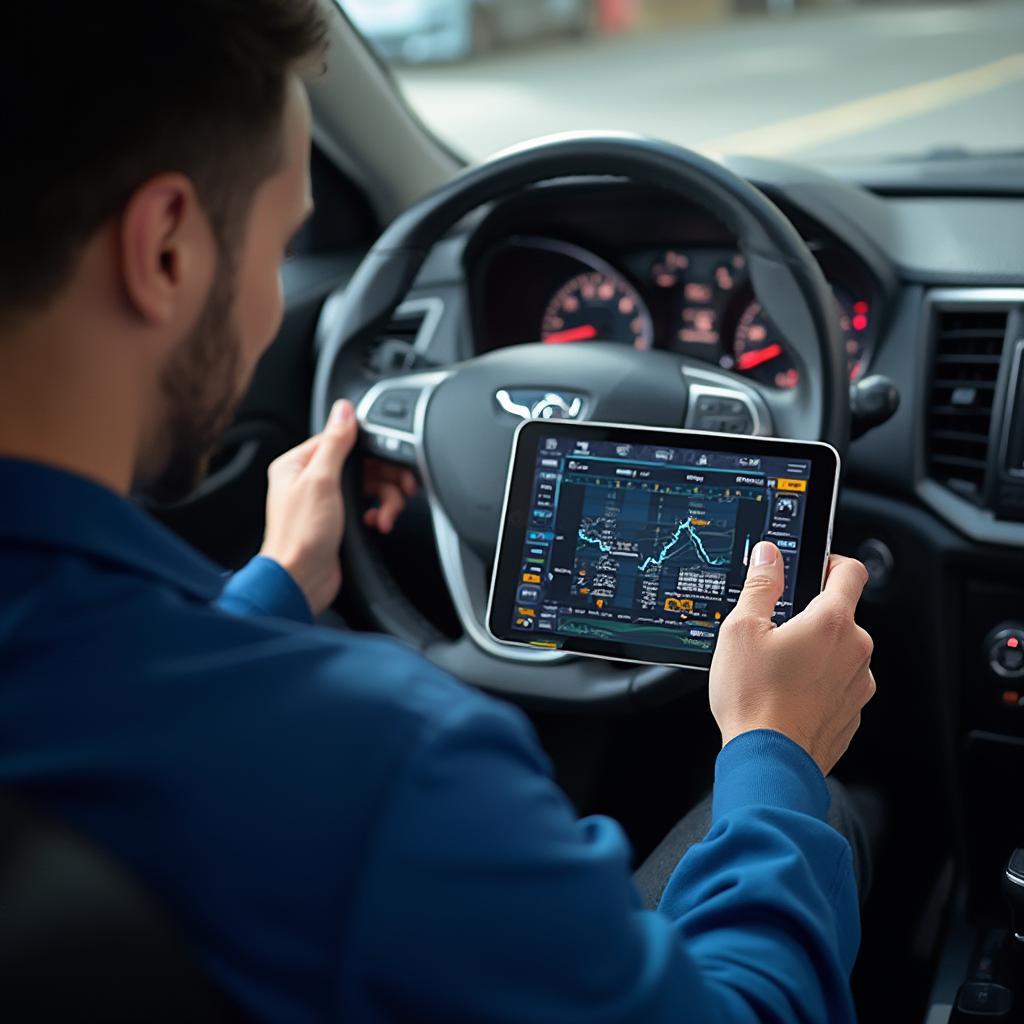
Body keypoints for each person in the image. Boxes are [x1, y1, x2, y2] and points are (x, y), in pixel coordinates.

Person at [0, 2, 876, 1021]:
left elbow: (117, 718)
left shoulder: (121, 696)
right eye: (280, 243)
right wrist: (772, 747)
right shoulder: (384, 763)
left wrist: (274, 589)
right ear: (166, 252)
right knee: (833, 819)